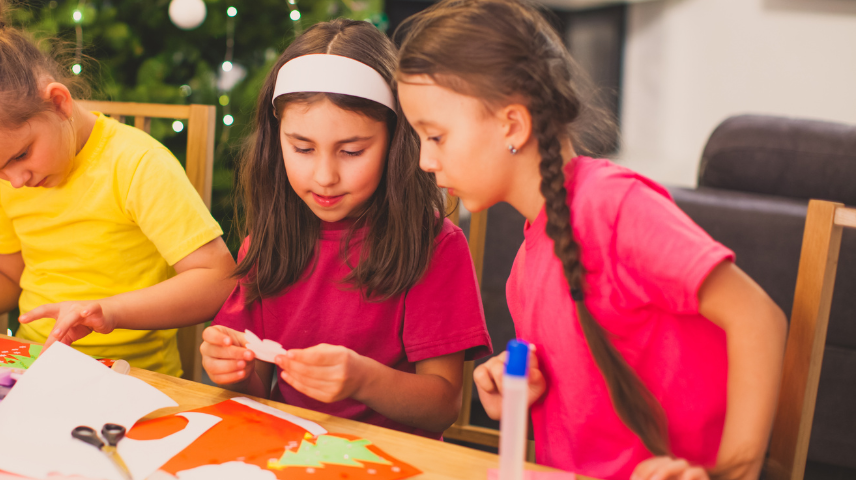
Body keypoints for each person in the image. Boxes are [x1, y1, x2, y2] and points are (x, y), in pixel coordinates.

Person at [395, 1, 787, 478]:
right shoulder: (525, 269)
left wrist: (734, 470)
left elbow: (758, 317)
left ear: (512, 125)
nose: (425, 161)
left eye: (435, 137)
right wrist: (521, 388)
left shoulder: (613, 206)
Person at [0, 0, 236, 376]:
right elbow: (4, 277)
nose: (16, 181)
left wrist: (109, 311)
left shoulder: (137, 165)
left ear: (58, 102)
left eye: (21, 155)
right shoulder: (5, 178)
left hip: (134, 379)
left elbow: (217, 280)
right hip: (32, 368)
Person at [200, 19, 491, 438]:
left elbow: (442, 406)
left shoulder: (434, 245)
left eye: (352, 151)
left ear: (396, 142)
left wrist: (363, 380)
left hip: (394, 458)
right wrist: (234, 371)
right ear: (276, 141)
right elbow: (256, 390)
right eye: (302, 148)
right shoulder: (266, 243)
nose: (325, 177)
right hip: (289, 452)